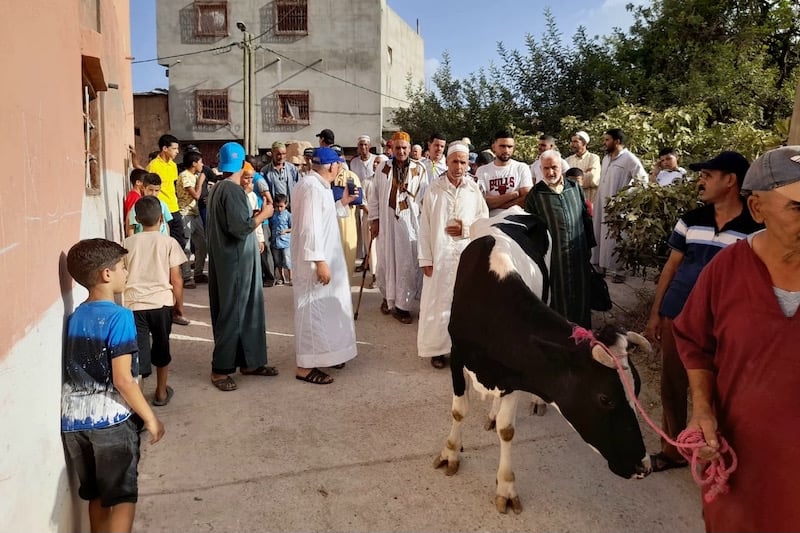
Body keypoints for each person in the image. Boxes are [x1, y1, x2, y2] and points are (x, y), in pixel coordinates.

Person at [673, 145, 800, 531]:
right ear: (758, 208)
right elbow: (695, 343)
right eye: (797, 208)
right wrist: (702, 410)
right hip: (743, 466)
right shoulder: (726, 270)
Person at [644, 150, 760, 473]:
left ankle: (713, 452)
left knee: (717, 390)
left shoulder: (754, 229)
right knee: (673, 384)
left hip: (723, 326)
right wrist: (657, 313)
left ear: (730, 181)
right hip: (677, 315)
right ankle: (673, 451)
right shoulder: (691, 220)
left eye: (708, 175)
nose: (701, 181)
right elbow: (670, 268)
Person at [61, 238, 165, 533]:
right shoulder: (119, 316)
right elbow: (122, 379)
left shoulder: (76, 316)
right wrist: (150, 418)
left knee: (96, 495)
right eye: (122, 267)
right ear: (106, 274)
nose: (126, 273)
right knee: (121, 498)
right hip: (111, 422)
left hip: (74, 422)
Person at [206, 142, 278, 392]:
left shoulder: (218, 187)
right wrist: (264, 215)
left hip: (233, 260)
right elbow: (240, 228)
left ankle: (251, 361)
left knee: (248, 311)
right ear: (242, 163)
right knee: (234, 313)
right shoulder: (233, 190)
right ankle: (220, 369)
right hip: (236, 261)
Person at [291, 147, 358, 384]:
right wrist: (319, 261)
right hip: (314, 263)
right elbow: (310, 226)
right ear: (330, 166)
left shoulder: (318, 186)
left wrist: (342, 203)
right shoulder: (311, 188)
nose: (340, 168)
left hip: (324, 259)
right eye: (338, 164)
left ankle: (327, 353)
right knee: (312, 313)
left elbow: (323, 217)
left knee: (324, 311)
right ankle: (305, 367)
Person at [418, 142, 488, 369]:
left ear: (469, 164)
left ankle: (463, 349)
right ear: (446, 162)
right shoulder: (434, 189)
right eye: (454, 161)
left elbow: (483, 221)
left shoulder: (473, 189)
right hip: (439, 257)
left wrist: (466, 229)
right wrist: (425, 259)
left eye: (463, 162)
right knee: (437, 303)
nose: (459, 166)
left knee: (465, 304)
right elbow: (425, 227)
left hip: (466, 257)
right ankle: (437, 350)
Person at [124, 196, 187, 406]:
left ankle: (138, 404)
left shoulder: (127, 244)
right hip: (162, 304)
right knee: (162, 346)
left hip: (134, 305)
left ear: (137, 219)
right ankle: (161, 392)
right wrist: (179, 305)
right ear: (161, 218)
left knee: (138, 353)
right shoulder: (169, 242)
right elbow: (176, 279)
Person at [525, 150, 595, 328]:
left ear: (561, 167)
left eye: (554, 167)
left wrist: (589, 248)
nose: (550, 172)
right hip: (553, 259)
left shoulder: (574, 187)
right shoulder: (535, 194)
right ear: (540, 169)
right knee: (558, 298)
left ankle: (584, 338)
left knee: (582, 296)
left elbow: (586, 218)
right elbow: (532, 228)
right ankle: (560, 339)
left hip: (579, 254)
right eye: (546, 168)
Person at [368, 131, 429, 324]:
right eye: (398, 148)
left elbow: (425, 198)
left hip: (410, 225)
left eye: (404, 148)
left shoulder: (419, 169)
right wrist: (375, 220)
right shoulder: (383, 168)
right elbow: (375, 195)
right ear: (391, 148)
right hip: (387, 224)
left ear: (410, 149)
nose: (401, 151)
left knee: (406, 263)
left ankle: (403, 306)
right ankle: (387, 298)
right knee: (385, 261)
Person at [592, 128, 648, 283]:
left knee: (616, 238)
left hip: (617, 207)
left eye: (607, 140)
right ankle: (599, 267)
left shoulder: (630, 159)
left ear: (617, 141)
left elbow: (643, 181)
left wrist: (624, 196)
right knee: (599, 234)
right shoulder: (606, 158)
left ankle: (619, 271)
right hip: (601, 203)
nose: (605, 143)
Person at [147, 134, 193, 286]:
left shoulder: (173, 166)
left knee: (179, 243)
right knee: (162, 243)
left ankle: (182, 275)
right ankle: (164, 277)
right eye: (174, 148)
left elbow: (172, 187)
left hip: (174, 208)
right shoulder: (153, 166)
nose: (177, 151)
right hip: (160, 210)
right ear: (164, 149)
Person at [476, 130, 533, 216]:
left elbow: (527, 199)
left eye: (509, 147)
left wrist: (498, 204)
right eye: (502, 146)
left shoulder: (521, 168)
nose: (506, 150)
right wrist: (513, 195)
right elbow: (482, 202)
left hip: (518, 220)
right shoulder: (482, 171)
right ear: (494, 147)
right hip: (490, 222)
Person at [176, 151, 208, 286]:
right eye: (200, 161)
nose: (202, 164)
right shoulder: (185, 176)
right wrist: (200, 182)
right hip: (185, 214)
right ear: (194, 163)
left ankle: (198, 273)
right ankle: (186, 277)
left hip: (195, 213)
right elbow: (195, 195)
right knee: (186, 247)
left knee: (202, 245)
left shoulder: (193, 176)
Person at [331, 144, 363, 275]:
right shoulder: (325, 178)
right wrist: (342, 195)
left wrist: (337, 195)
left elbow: (358, 198)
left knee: (347, 260)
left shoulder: (351, 176)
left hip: (347, 225)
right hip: (329, 224)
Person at [350, 135, 377, 266]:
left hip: (372, 201)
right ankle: (364, 259)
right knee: (360, 232)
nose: (363, 147)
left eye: (366, 145)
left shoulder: (375, 160)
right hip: (359, 201)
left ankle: (370, 261)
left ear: (369, 146)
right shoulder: (354, 162)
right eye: (361, 145)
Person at [126, 173, 173, 237]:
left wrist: (167, 238)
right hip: (143, 242)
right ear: (143, 188)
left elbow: (166, 225)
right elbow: (131, 228)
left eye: (156, 190)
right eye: (150, 190)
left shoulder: (163, 205)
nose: (153, 194)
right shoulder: (137, 206)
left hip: (160, 242)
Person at [565, 131, 602, 206]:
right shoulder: (568, 160)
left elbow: (593, 178)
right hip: (572, 201)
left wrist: (573, 179)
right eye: (572, 142)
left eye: (575, 141)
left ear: (584, 143)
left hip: (589, 200)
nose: (572, 144)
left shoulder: (593, 158)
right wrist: (584, 174)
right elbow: (564, 180)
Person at [270, 194, 292, 285]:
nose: (279, 209)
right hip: (275, 241)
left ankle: (291, 278)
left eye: (281, 206)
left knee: (287, 260)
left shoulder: (288, 215)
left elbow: (293, 227)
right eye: (277, 206)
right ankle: (281, 277)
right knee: (277, 261)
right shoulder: (273, 214)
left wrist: (286, 231)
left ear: (286, 204)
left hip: (285, 242)